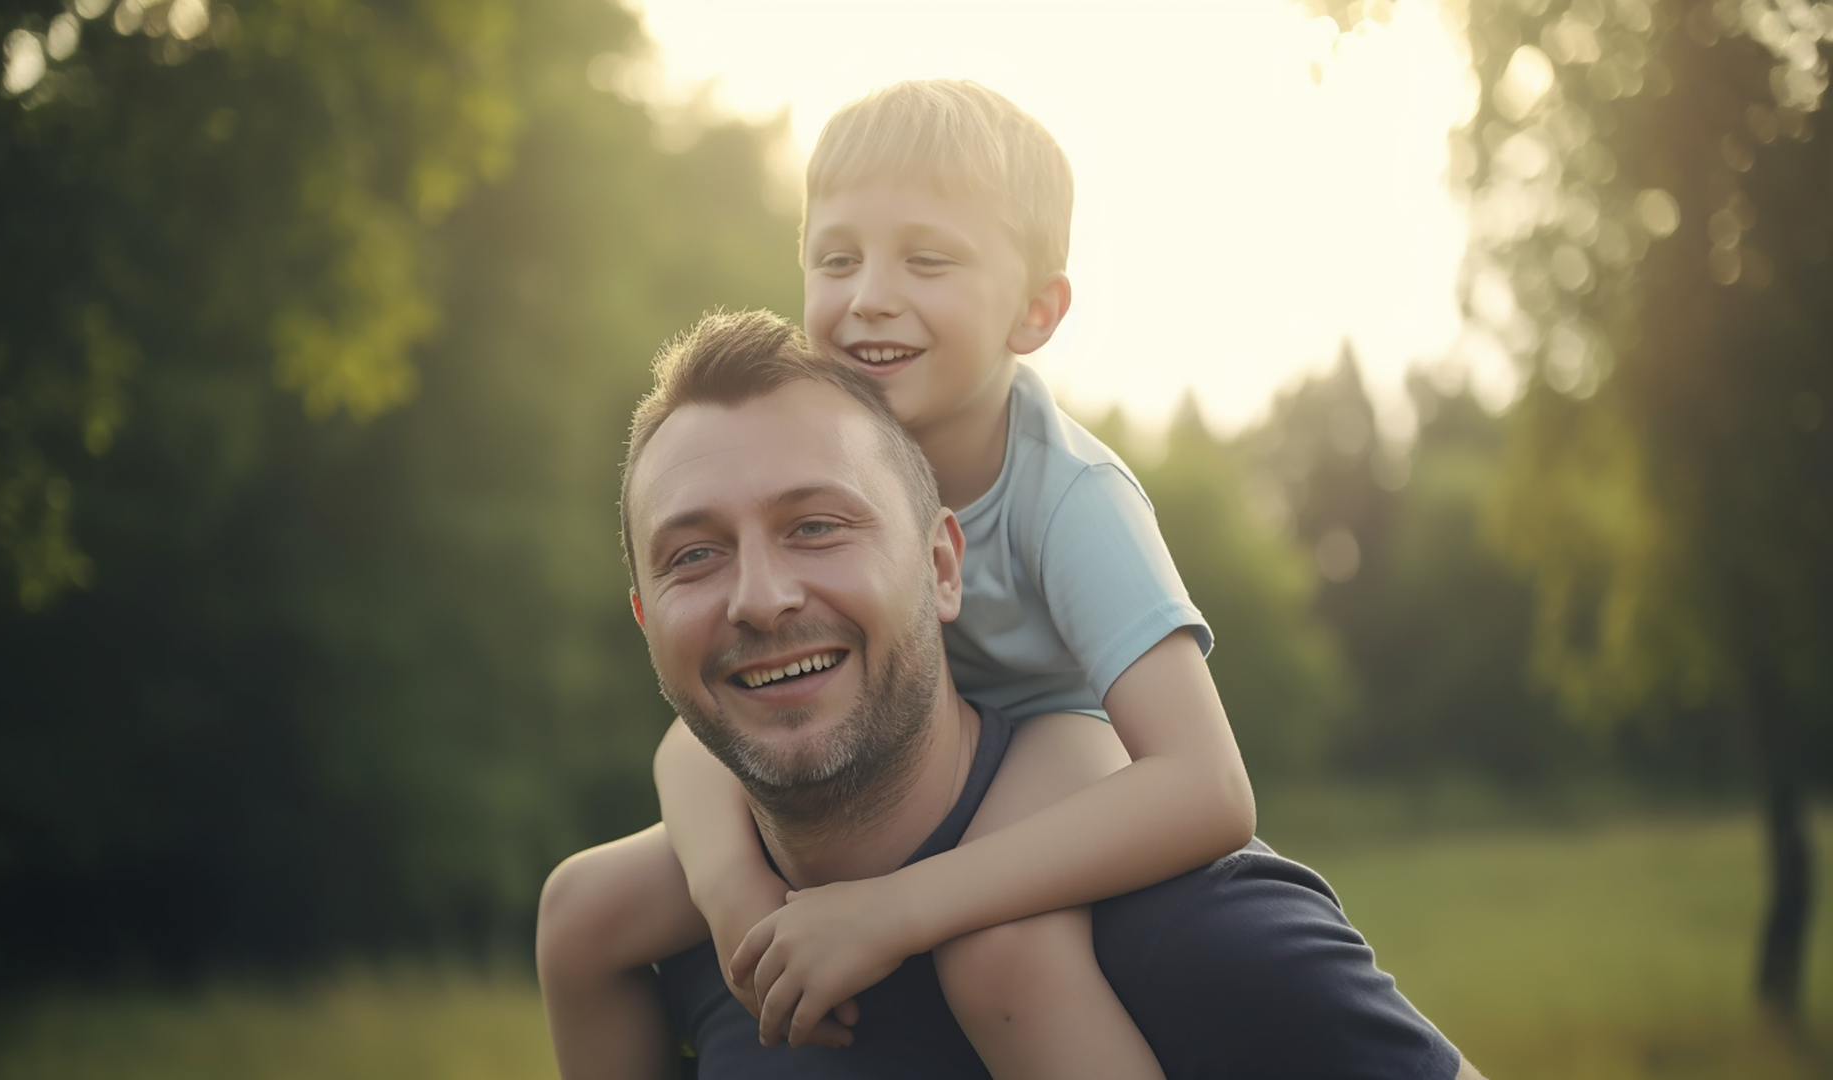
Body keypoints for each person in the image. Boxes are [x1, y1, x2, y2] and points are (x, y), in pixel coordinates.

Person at [541, 79, 1259, 1080]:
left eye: (927, 259)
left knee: (1000, 958)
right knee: (581, 910)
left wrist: (899, 909)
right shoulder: (805, 448)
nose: (869, 293)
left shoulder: (1070, 494)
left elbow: (1210, 788)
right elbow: (691, 738)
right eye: (837, 258)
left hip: (1055, 740)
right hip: (891, 749)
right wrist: (733, 891)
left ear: (1036, 311)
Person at [614, 308, 1481, 1078]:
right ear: (646, 618)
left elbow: (1209, 786)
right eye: (694, 553)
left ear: (943, 567)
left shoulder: (1213, 947)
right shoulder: (696, 966)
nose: (760, 598)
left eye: (816, 527)